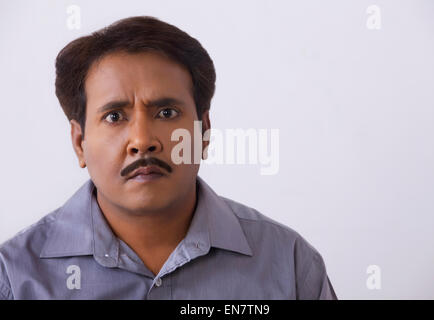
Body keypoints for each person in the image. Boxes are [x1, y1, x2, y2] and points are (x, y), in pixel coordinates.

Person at [0, 16, 337, 300]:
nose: (143, 141)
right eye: (115, 116)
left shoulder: (288, 264)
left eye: (166, 112)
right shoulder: (15, 278)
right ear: (79, 142)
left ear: (203, 132)